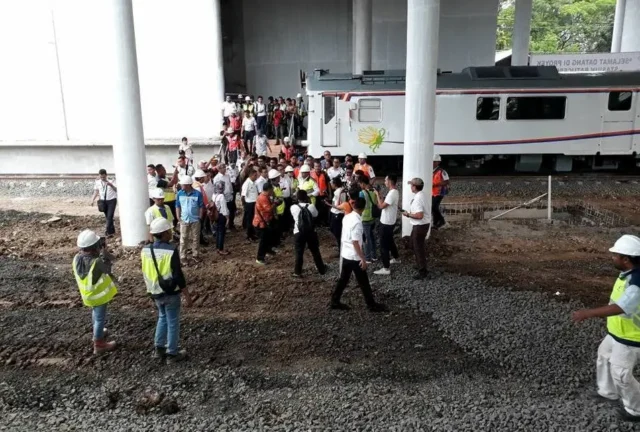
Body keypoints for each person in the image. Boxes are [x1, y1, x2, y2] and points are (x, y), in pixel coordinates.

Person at [572, 235, 640, 421]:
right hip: (617, 331)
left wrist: (588, 313)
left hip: (631, 337)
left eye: (615, 255)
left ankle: (635, 408)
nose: (613, 258)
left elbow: (622, 307)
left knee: (621, 373)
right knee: (604, 355)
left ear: (626, 259)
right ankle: (608, 392)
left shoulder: (636, 283)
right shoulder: (628, 274)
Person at [141, 218, 193, 364]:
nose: (171, 232)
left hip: (154, 291)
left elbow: (145, 272)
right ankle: (172, 353)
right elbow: (177, 275)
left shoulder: (145, 250)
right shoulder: (170, 250)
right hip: (170, 292)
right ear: (164, 233)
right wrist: (187, 295)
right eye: (169, 230)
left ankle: (159, 349)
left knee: (162, 317)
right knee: (173, 321)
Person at [330, 197, 387, 312]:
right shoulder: (357, 222)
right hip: (354, 256)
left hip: (346, 253)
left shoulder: (347, 216)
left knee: (344, 279)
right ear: (364, 208)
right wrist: (363, 258)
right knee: (364, 282)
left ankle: (335, 301)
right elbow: (355, 242)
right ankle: (371, 305)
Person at [73, 229, 118, 354]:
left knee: (96, 316)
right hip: (99, 296)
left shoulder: (77, 258)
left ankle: (97, 332)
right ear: (94, 247)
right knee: (99, 319)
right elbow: (109, 266)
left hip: (87, 296)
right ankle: (99, 344)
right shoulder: (97, 262)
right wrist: (104, 252)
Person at [290, 190, 326, 278]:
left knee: (299, 252)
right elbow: (316, 215)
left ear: (297, 198)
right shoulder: (311, 206)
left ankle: (297, 272)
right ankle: (321, 269)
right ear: (306, 197)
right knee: (315, 251)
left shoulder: (293, 207)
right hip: (310, 232)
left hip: (298, 232)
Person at [402, 178, 431, 280]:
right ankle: (420, 264)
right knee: (414, 245)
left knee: (418, 247)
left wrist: (408, 214)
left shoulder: (418, 199)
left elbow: (419, 215)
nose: (410, 187)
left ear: (414, 187)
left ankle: (422, 270)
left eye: (411, 185)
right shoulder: (422, 195)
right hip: (421, 225)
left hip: (420, 225)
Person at [374, 175, 401, 275]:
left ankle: (386, 268)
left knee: (383, 245)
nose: (384, 182)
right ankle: (396, 258)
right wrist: (380, 194)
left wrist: (377, 194)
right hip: (390, 221)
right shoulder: (395, 191)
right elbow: (385, 203)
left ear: (389, 181)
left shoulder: (392, 193)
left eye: (385, 180)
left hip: (386, 223)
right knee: (390, 241)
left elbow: (381, 206)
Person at [175, 176, 204, 261]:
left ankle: (195, 255)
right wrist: (178, 217)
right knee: (183, 238)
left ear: (188, 185)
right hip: (184, 219)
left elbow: (201, 206)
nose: (181, 186)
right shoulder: (180, 193)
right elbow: (177, 206)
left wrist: (200, 217)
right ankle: (183, 256)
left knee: (196, 238)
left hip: (195, 219)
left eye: (183, 185)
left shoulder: (197, 194)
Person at [253, 182, 277, 265]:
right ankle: (259, 258)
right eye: (272, 189)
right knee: (263, 241)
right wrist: (276, 203)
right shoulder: (263, 198)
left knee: (267, 238)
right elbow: (268, 209)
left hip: (264, 222)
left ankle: (267, 250)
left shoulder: (265, 196)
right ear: (269, 189)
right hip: (261, 223)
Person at [91, 169, 118, 237]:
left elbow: (116, 190)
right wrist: (92, 200)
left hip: (111, 200)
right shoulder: (97, 182)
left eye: (103, 177)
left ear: (106, 175)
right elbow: (96, 191)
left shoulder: (112, 181)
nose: (102, 178)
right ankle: (112, 232)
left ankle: (107, 232)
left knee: (109, 216)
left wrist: (111, 185)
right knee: (108, 217)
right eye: (101, 177)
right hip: (103, 201)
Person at [359, 176, 378, 263]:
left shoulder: (362, 193)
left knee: (366, 238)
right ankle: (374, 256)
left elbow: (360, 206)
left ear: (363, 183)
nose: (359, 185)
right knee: (372, 237)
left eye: (360, 183)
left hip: (365, 219)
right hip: (373, 218)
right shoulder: (373, 192)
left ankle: (367, 258)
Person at [213, 164, 236, 231]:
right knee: (225, 212)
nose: (225, 169)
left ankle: (231, 224)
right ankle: (225, 226)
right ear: (219, 169)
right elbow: (217, 189)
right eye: (223, 168)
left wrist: (232, 192)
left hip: (230, 196)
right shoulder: (216, 178)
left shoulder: (227, 176)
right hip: (223, 198)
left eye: (225, 168)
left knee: (232, 211)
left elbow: (230, 185)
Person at [155, 164, 178, 228]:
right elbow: (171, 184)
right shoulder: (158, 180)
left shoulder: (165, 178)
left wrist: (176, 174)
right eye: (163, 170)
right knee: (167, 218)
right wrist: (175, 171)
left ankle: (174, 230)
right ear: (159, 171)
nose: (165, 171)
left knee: (174, 217)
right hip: (165, 202)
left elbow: (175, 181)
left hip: (172, 201)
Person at [328, 177, 347, 249]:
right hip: (335, 212)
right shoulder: (337, 191)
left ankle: (341, 248)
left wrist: (329, 204)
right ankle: (339, 246)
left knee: (337, 232)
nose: (331, 184)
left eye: (332, 183)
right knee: (335, 230)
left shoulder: (341, 192)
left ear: (335, 184)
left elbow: (341, 205)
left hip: (338, 213)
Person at [432, 154, 450, 229]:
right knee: (433, 208)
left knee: (433, 207)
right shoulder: (431, 171)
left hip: (439, 192)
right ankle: (436, 223)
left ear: (438, 162)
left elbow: (446, 181)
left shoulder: (442, 171)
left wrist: (436, 184)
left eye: (434, 161)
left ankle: (441, 221)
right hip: (433, 192)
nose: (432, 163)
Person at [241, 168, 259, 242]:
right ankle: (249, 235)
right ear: (251, 175)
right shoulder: (247, 183)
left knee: (253, 219)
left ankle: (253, 234)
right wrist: (245, 206)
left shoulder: (253, 182)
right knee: (249, 220)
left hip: (254, 202)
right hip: (249, 204)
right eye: (255, 175)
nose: (256, 177)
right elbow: (243, 196)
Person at [212, 182, 230, 255]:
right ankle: (221, 249)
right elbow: (224, 208)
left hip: (216, 215)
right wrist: (227, 218)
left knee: (218, 232)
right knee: (221, 233)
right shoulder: (221, 196)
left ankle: (217, 247)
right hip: (221, 215)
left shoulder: (214, 195)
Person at [311, 161, 331, 225]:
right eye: (316, 166)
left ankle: (323, 222)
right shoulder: (311, 174)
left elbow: (328, 184)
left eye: (319, 166)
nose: (317, 167)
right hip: (314, 195)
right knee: (315, 209)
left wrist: (330, 194)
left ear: (321, 166)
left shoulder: (324, 174)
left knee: (323, 209)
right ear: (313, 167)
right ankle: (316, 222)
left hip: (323, 195)